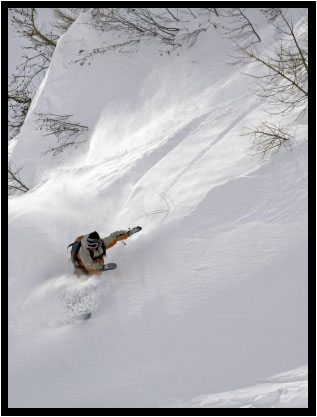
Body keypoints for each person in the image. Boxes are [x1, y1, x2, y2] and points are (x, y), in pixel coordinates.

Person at [71, 227, 142, 275]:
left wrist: (128, 233)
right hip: (83, 267)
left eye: (94, 245)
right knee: (85, 274)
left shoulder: (102, 243)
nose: (91, 247)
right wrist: (102, 267)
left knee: (97, 267)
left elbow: (114, 237)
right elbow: (88, 265)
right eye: (90, 245)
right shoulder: (83, 251)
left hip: (96, 265)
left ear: (98, 243)